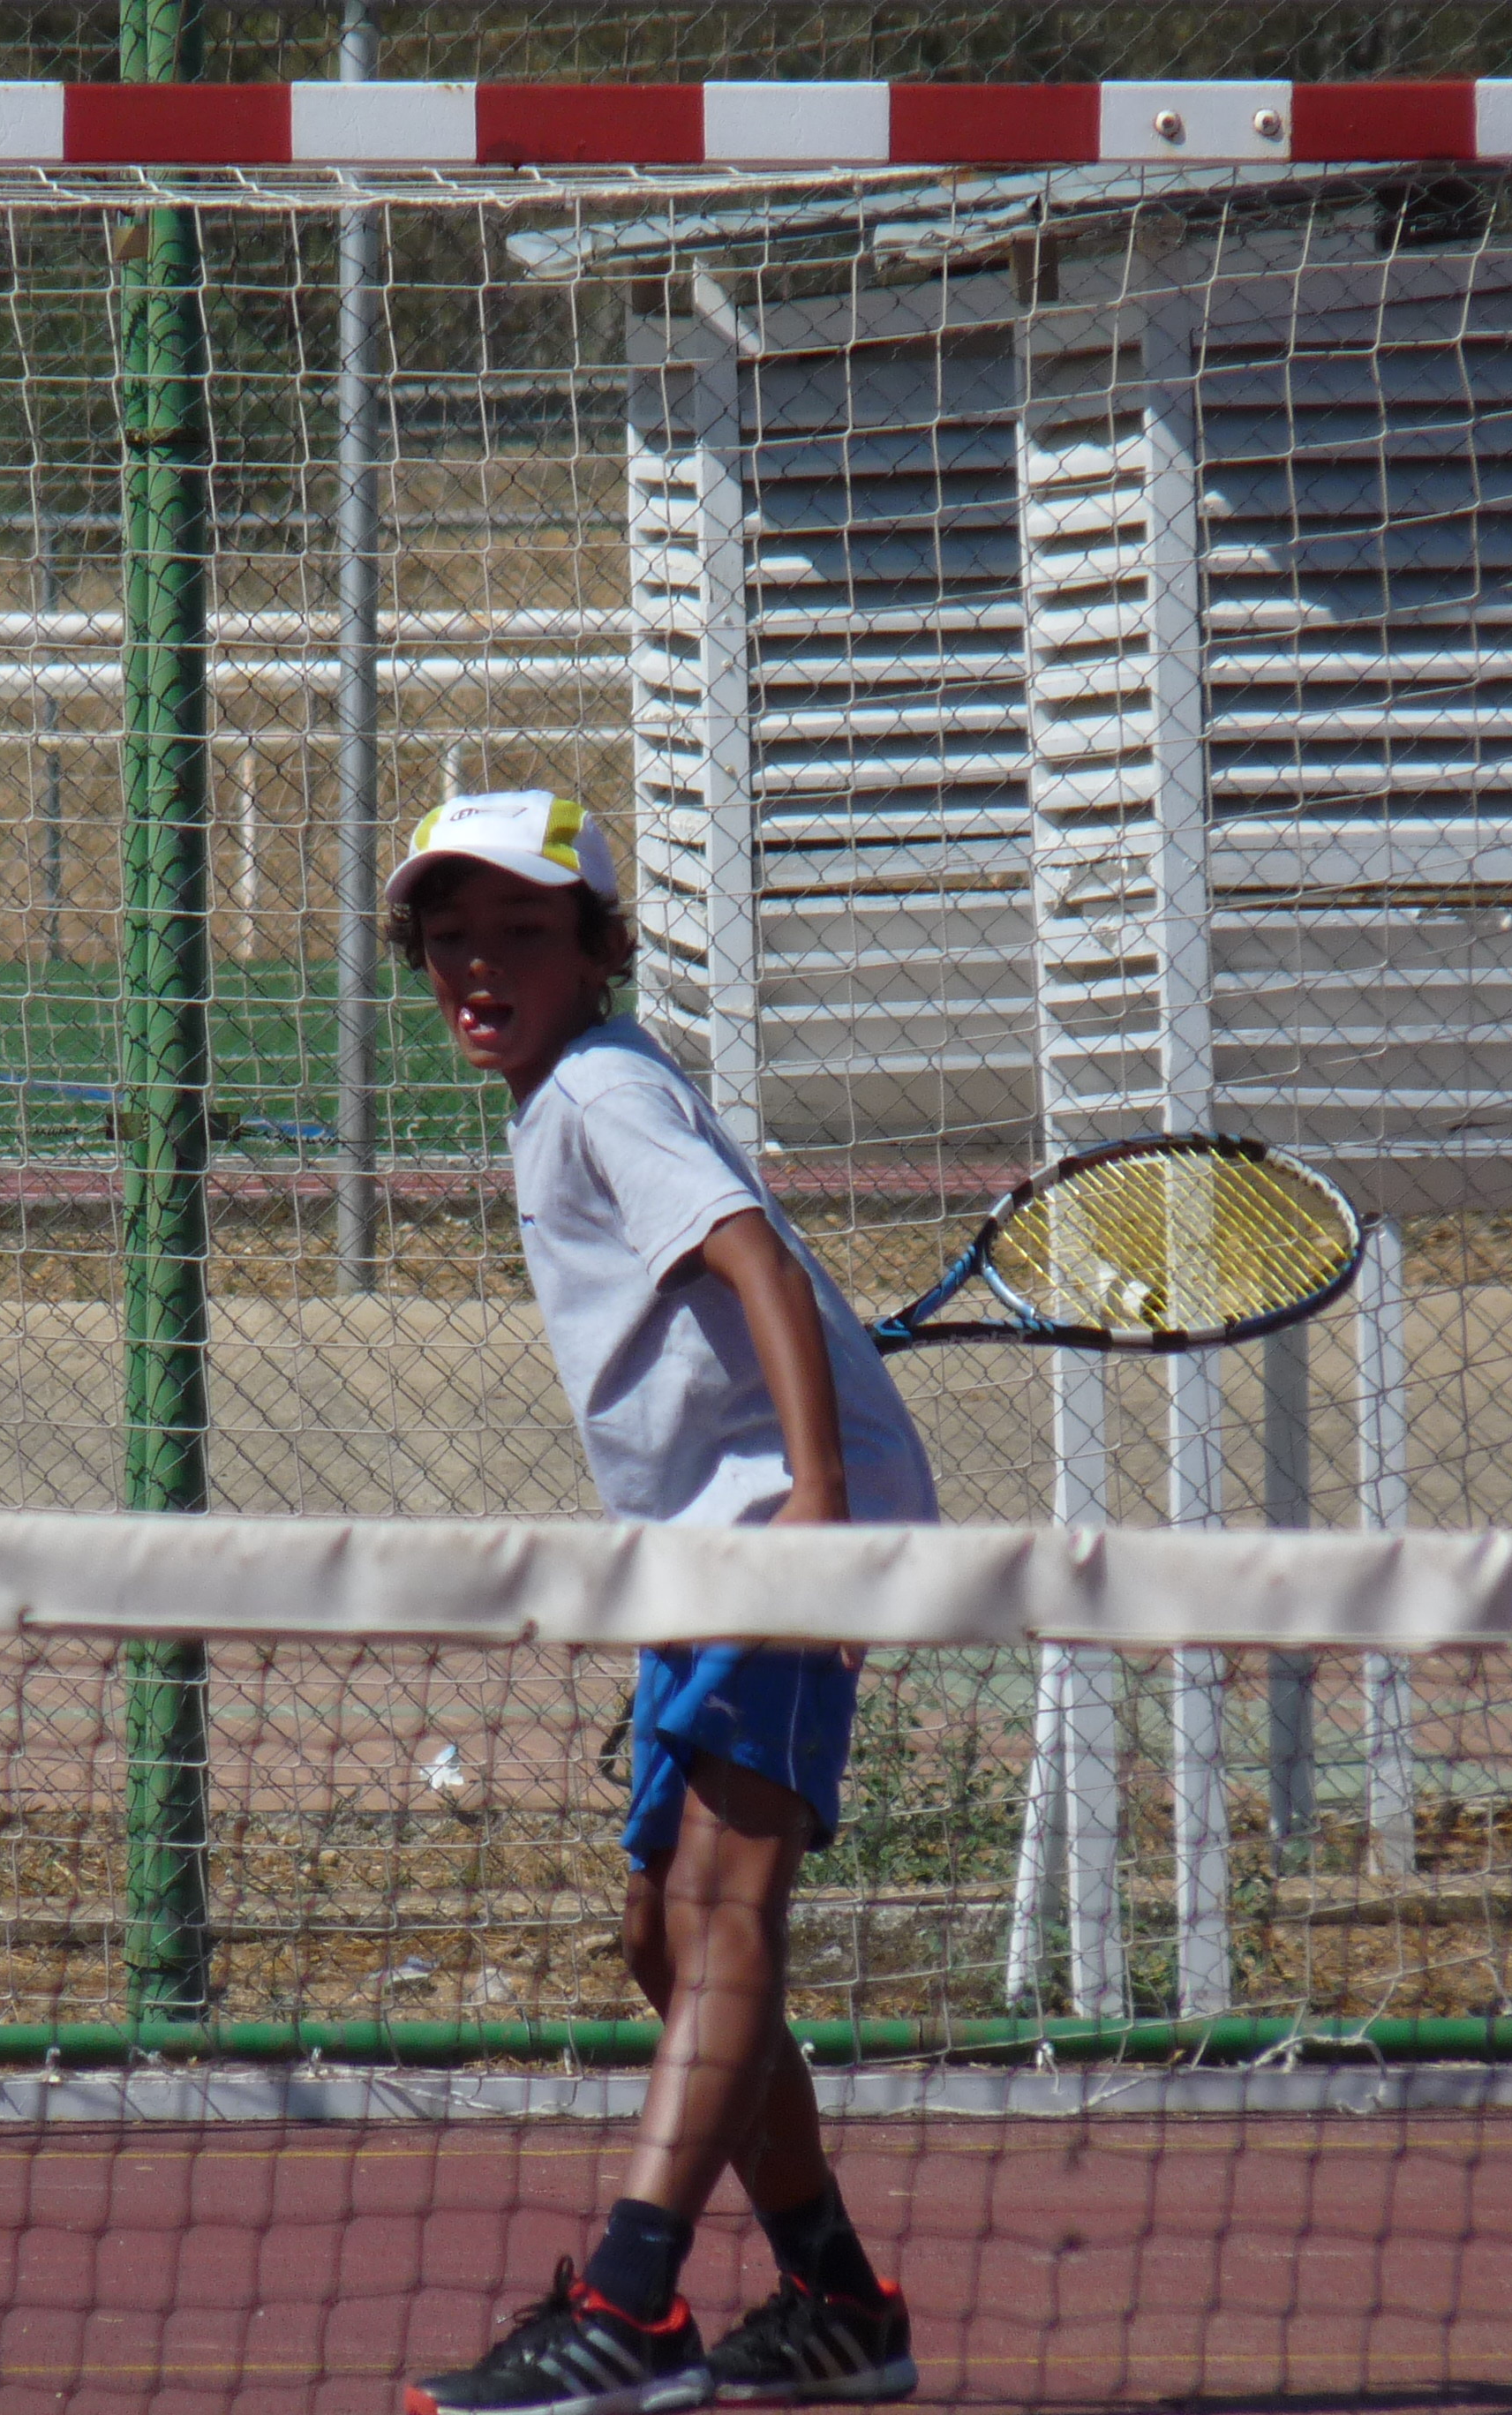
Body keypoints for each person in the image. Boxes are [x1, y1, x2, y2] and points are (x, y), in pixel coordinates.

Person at [388, 790, 933, 2415]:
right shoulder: (566, 1096)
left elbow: (752, 1258)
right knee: (660, 1934)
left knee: (722, 1908)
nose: (482, 965)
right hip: (703, 1553)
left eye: (524, 932)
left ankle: (630, 2308)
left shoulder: (604, 1089)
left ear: (600, 952)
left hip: (776, 1543)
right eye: (451, 936)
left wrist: (817, 1509)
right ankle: (838, 2296)